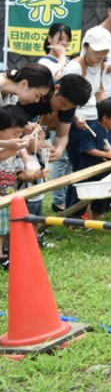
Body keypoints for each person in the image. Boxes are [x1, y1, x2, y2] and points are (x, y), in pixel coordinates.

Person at [19, 75, 93, 213]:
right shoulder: (36, 91)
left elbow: (62, 134)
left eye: (69, 107)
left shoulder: (68, 104)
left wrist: (58, 150)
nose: (64, 109)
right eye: (63, 104)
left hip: (31, 137)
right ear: (57, 88)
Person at [70, 97, 111, 219]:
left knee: (102, 194)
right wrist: (105, 154)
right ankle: (75, 217)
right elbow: (88, 149)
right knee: (83, 195)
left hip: (105, 170)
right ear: (105, 117)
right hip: (88, 169)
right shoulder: (91, 130)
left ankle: (97, 214)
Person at [0, 106, 31, 270]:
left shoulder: (13, 145)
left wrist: (27, 163)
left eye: (20, 134)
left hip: (9, 190)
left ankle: (6, 252)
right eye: (14, 134)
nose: (17, 137)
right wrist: (15, 147)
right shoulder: (5, 146)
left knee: (6, 224)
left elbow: (23, 155)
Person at [64, 26, 111, 120]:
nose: (101, 54)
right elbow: (63, 97)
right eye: (97, 49)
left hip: (93, 117)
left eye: (105, 50)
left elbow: (99, 91)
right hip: (73, 118)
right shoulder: (75, 67)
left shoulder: (102, 65)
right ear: (86, 46)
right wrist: (75, 118)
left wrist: (110, 111)